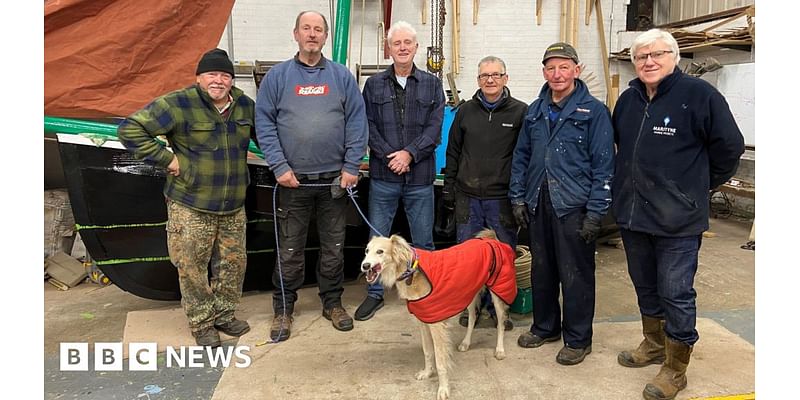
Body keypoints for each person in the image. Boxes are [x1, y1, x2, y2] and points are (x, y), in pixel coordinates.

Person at [612, 29, 744, 400]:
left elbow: (729, 149)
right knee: (645, 286)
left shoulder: (699, 96)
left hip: (678, 221)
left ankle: (676, 368)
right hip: (634, 215)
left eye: (657, 54)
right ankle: (653, 343)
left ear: (674, 56)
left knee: (676, 292)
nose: (648, 62)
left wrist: (696, 188)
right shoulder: (628, 100)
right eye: (641, 57)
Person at [117, 48, 255, 347]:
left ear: (231, 80)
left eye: (224, 75)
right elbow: (130, 129)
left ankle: (224, 314)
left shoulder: (245, 106)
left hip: (232, 205)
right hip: (191, 203)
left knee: (233, 264)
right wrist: (167, 159)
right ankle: (202, 321)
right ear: (199, 78)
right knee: (191, 265)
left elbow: (267, 137)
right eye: (211, 74)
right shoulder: (177, 103)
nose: (218, 80)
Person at [255, 10, 368, 342]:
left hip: (334, 182)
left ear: (325, 36)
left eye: (318, 29)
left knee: (334, 247)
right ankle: (284, 308)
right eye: (307, 28)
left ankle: (332, 303)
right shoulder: (277, 78)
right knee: (289, 250)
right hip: (292, 183)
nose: (312, 34)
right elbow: (264, 124)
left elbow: (357, 122)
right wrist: (278, 166)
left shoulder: (341, 77)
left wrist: (351, 167)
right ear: (296, 34)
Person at [509, 42, 614, 365]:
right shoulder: (535, 111)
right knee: (543, 270)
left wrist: (596, 212)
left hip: (574, 205)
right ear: (544, 72)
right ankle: (546, 327)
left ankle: (579, 339)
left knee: (576, 274)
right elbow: (522, 156)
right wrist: (517, 196)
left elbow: (604, 165)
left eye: (564, 67)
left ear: (576, 70)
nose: (557, 74)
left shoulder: (594, 112)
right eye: (551, 68)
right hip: (539, 202)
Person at [354, 20, 445, 321]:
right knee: (377, 244)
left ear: (416, 47)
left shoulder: (432, 85)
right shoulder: (374, 84)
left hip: (419, 177)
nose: (403, 48)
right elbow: (367, 125)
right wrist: (389, 156)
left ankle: (426, 291)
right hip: (383, 177)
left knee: (423, 241)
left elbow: (434, 129)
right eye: (397, 43)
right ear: (389, 49)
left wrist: (409, 154)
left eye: (408, 43)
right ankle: (375, 294)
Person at [442, 55, 527, 331]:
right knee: (468, 259)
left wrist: (520, 198)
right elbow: (453, 151)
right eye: (484, 76)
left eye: (495, 75)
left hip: (501, 201)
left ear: (505, 78)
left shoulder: (520, 113)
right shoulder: (465, 112)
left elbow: (525, 157)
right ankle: (471, 308)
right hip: (468, 198)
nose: (489, 80)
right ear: (478, 80)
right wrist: (449, 191)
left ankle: (499, 310)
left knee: (502, 258)